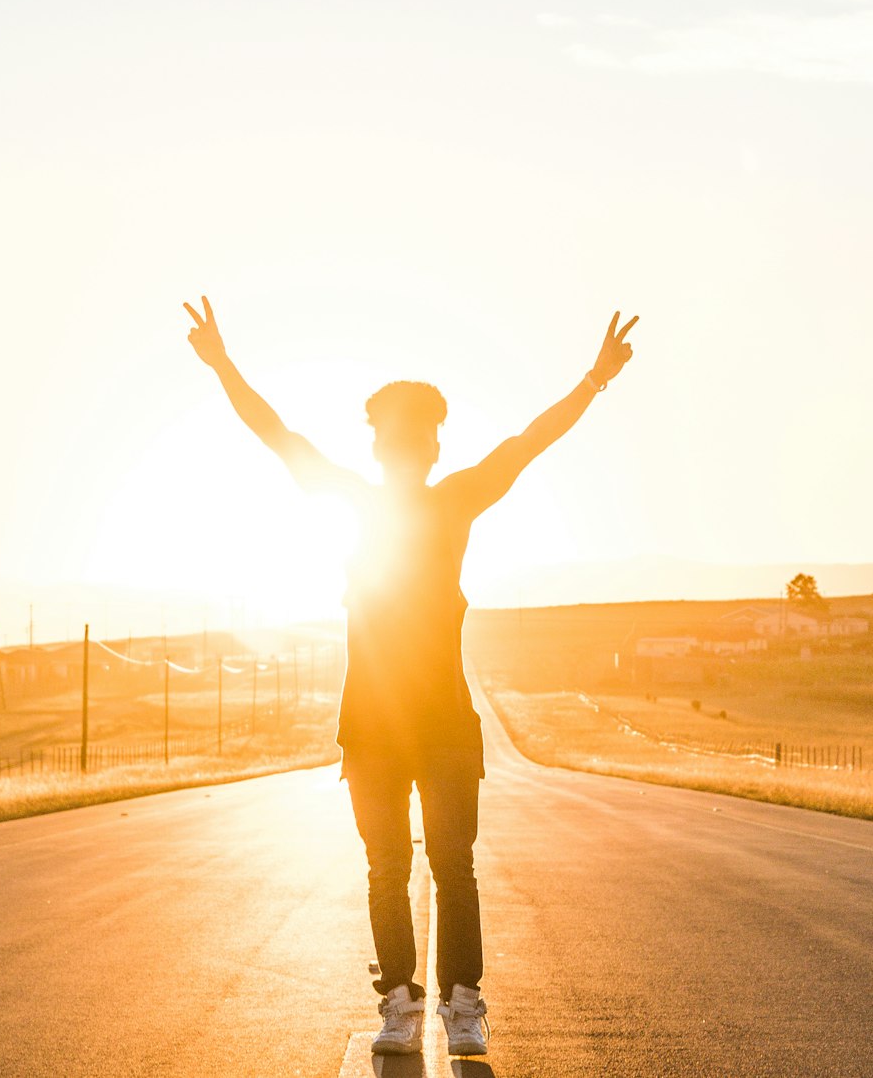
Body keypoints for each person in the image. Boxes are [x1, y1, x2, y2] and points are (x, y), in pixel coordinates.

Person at [183, 294, 638, 1057]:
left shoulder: (453, 500)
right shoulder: (363, 504)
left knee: (448, 868)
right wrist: (224, 364)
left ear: (431, 446)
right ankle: (401, 1002)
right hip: (372, 726)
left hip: (445, 727)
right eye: (398, 434)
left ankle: (463, 1006)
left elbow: (529, 442)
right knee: (390, 866)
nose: (410, 446)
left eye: (420, 434)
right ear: (386, 447)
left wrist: (595, 380)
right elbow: (277, 435)